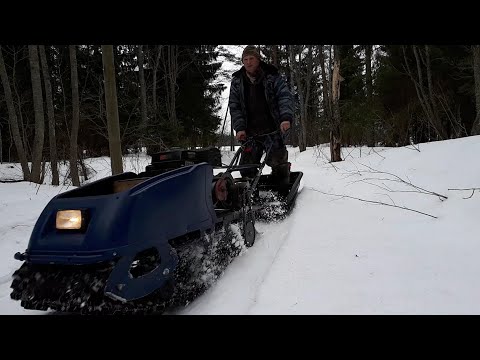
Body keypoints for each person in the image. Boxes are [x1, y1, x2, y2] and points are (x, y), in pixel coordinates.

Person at [228, 45, 294, 195]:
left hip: (272, 129)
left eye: (251, 59)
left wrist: (285, 118)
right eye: (245, 59)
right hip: (250, 132)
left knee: (278, 164)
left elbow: (284, 97)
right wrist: (239, 128)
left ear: (258, 60)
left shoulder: (271, 75)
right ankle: (251, 198)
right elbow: (235, 106)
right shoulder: (237, 81)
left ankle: (282, 194)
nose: (249, 62)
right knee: (246, 167)